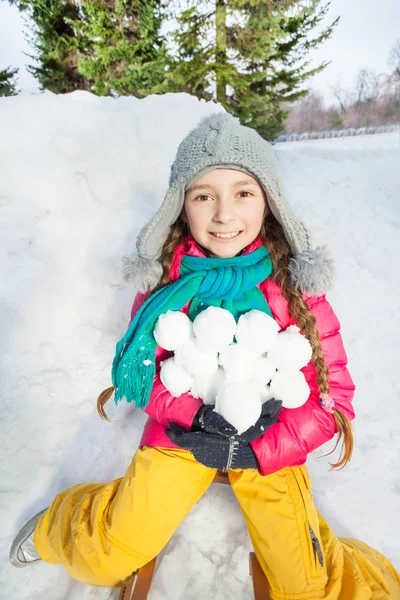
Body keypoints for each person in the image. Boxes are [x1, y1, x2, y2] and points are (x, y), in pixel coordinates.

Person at [10, 113, 400, 598]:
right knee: (108, 554)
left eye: (243, 193)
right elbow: (146, 375)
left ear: (269, 202)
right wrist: (195, 419)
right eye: (203, 196)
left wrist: (263, 442)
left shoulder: (294, 286)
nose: (224, 215)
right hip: (184, 436)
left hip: (271, 447)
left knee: (308, 586)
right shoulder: (166, 285)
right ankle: (63, 522)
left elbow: (333, 396)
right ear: (181, 206)